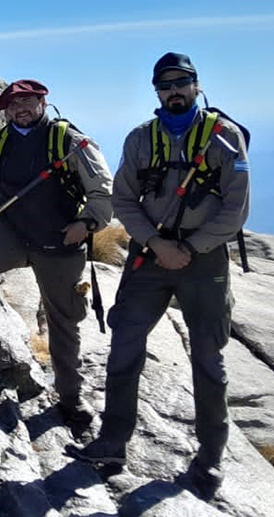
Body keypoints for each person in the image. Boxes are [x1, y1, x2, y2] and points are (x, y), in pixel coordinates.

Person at [73, 52, 249, 499]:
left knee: (208, 360)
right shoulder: (141, 138)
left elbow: (236, 208)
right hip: (149, 257)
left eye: (181, 83)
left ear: (196, 85)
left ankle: (210, 459)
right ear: (156, 91)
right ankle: (112, 443)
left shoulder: (225, 137)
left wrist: (189, 248)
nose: (174, 91)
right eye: (165, 85)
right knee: (124, 346)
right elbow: (123, 200)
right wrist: (156, 244)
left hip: (203, 261)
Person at [0, 79, 114, 428]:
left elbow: (103, 189)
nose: (21, 109)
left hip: (61, 241)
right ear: (5, 111)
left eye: (28, 101)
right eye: (14, 104)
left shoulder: (68, 140)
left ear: (43, 103)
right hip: (13, 235)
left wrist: (86, 224)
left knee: (63, 321)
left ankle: (71, 398)